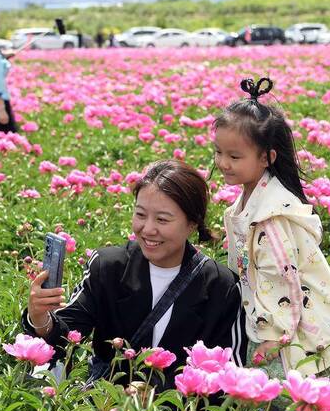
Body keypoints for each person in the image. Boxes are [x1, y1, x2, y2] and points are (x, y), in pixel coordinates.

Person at [22, 159, 247, 390]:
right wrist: (40, 319)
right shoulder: (109, 267)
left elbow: (230, 375)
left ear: (192, 224)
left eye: (162, 219)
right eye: (140, 214)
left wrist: (159, 395)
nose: (148, 229)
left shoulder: (222, 286)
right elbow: (66, 338)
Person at [213, 77, 330, 380]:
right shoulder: (250, 200)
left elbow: (286, 279)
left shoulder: (271, 216)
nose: (223, 163)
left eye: (234, 156)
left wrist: (275, 336)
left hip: (291, 330)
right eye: (219, 152)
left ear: (267, 157)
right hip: (267, 315)